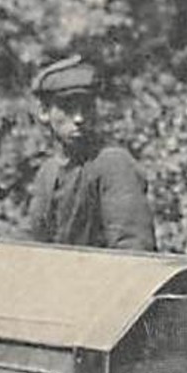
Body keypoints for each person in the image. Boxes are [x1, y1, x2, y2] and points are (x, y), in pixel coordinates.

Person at [25, 56, 157, 253]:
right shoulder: (48, 172)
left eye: (87, 106)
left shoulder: (112, 163)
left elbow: (133, 250)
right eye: (67, 107)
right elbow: (32, 243)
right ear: (44, 112)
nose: (79, 118)